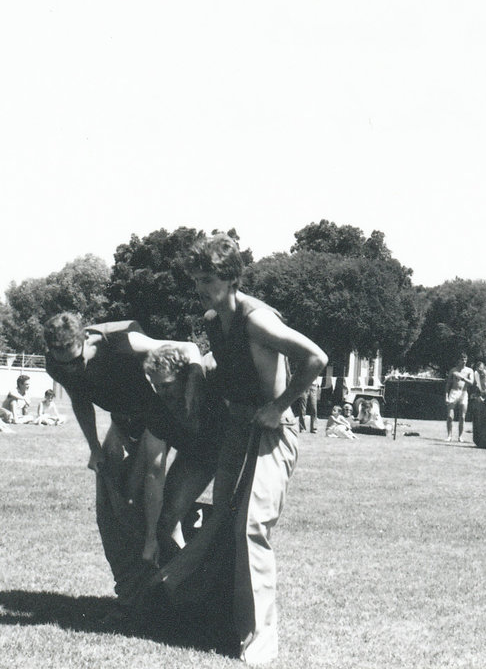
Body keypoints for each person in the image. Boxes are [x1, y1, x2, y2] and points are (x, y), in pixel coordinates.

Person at [184, 233, 327, 664]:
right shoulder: (215, 318)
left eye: (207, 278)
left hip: (272, 432)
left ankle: (261, 644)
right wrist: (195, 369)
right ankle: (224, 622)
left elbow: (316, 358)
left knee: (251, 527)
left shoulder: (257, 320)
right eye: (196, 279)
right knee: (225, 522)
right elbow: (219, 360)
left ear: (229, 278)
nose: (200, 287)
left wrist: (279, 406)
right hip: (236, 429)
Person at [42, 312, 203, 598]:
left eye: (78, 360)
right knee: (108, 503)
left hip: (156, 416)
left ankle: (161, 566)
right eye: (63, 361)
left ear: (85, 339)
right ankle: (131, 584)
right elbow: (80, 400)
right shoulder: (58, 364)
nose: (73, 369)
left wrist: (193, 393)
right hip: (123, 420)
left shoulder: (119, 341)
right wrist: (94, 448)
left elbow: (186, 349)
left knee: (142, 493)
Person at [143, 344, 223, 564]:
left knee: (228, 519)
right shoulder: (158, 408)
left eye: (167, 385)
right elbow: (154, 471)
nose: (161, 392)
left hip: (230, 451)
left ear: (184, 377)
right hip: (196, 456)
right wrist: (150, 537)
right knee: (167, 517)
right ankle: (178, 575)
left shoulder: (209, 384)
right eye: (156, 385)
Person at [444, 353, 473, 442]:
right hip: (453, 392)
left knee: (462, 416)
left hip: (463, 393)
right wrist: (446, 396)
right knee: (450, 416)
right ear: (459, 360)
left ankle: (460, 436)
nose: (464, 361)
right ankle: (449, 436)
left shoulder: (469, 370)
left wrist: (462, 378)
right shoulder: (453, 370)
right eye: (462, 360)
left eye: (465, 360)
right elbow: (448, 384)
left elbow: (471, 383)